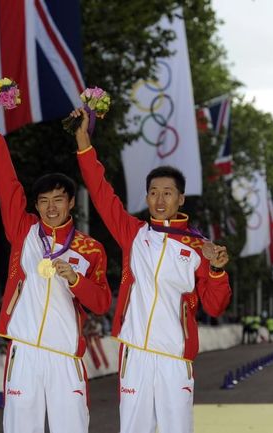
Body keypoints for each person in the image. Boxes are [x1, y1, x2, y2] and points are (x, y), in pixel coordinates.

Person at [71, 107, 232, 433]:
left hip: (174, 359)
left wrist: (216, 270)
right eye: (154, 193)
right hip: (136, 356)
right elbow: (102, 193)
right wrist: (82, 140)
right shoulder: (134, 234)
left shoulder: (199, 248)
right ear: (146, 196)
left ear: (181, 199)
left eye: (168, 193)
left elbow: (215, 305)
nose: (160, 200)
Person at [0, 97, 112, 433]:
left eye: (58, 200)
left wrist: (77, 280)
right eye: (44, 201)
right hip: (24, 353)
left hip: (65, 357)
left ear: (70, 202)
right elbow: (6, 183)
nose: (51, 208)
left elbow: (101, 303)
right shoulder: (24, 230)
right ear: (36, 205)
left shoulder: (90, 248)